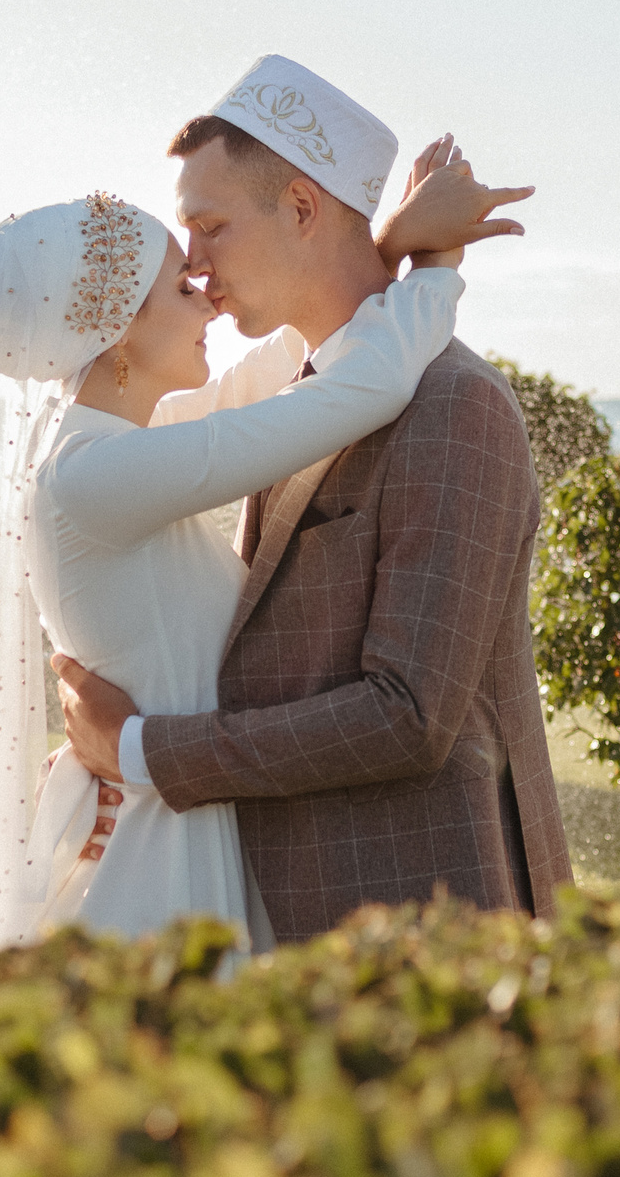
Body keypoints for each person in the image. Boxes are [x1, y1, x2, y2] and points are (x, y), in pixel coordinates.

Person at [0, 121, 528, 983]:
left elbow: (294, 367)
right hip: (162, 858)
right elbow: (351, 391)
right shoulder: (98, 475)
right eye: (183, 287)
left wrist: (381, 245)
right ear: (116, 338)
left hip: (189, 823)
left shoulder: (114, 446)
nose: (210, 297)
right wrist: (437, 265)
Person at [54, 55, 574, 942]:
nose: (196, 268)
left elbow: (406, 715)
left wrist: (144, 750)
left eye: (210, 227)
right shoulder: (296, 401)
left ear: (301, 208)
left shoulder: (457, 406)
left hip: (429, 929)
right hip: (293, 928)